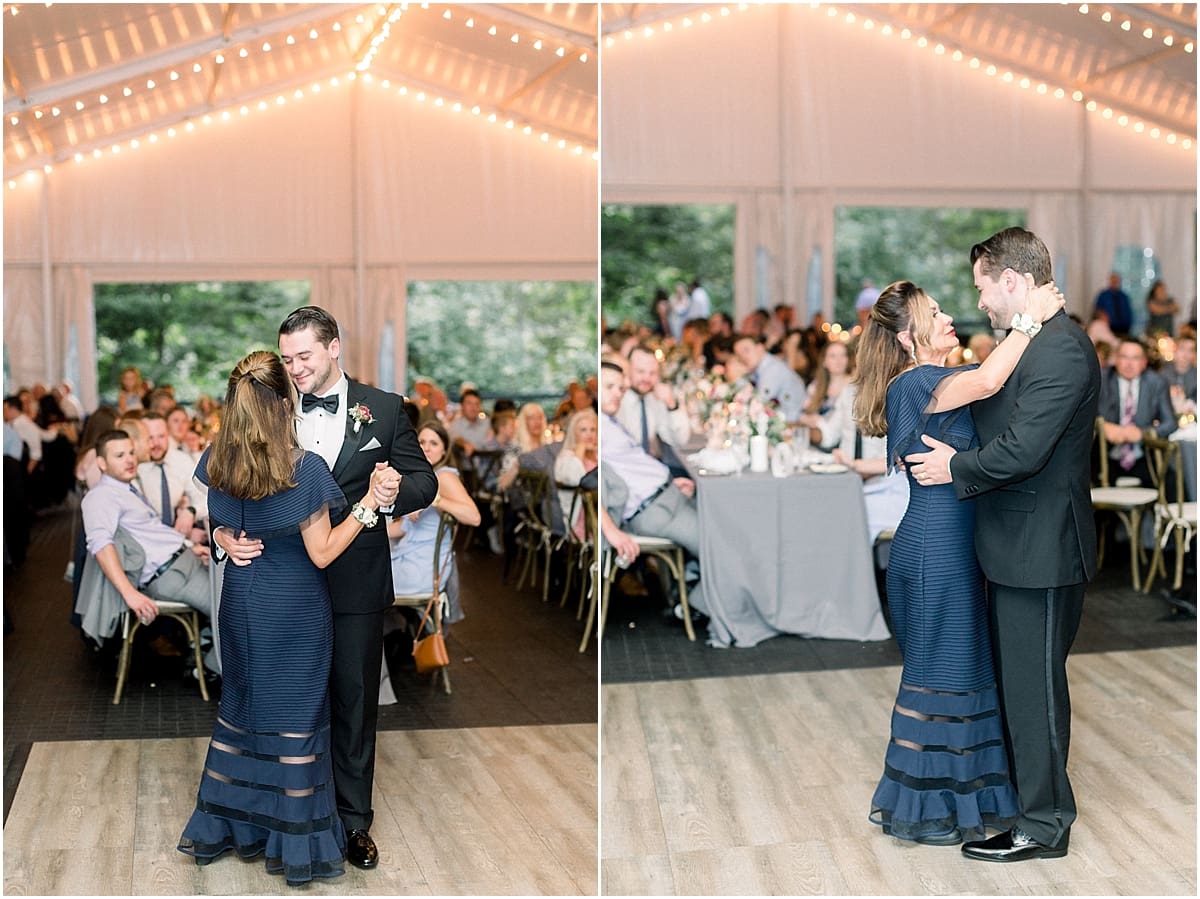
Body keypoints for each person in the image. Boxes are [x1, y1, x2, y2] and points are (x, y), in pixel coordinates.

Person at [215, 306, 437, 872]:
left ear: (334, 347)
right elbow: (234, 486)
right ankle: (287, 816)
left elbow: (424, 480)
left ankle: (353, 822)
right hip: (282, 586)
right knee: (286, 702)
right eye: (286, 359)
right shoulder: (268, 404)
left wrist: (389, 492)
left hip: (354, 582)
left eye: (304, 357)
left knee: (353, 702)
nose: (294, 369)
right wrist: (222, 535)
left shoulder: (384, 409)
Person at [907, 226, 1101, 862]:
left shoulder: (1064, 349)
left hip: (1042, 549)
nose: (980, 300)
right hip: (1014, 544)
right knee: (1020, 687)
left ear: (1012, 281)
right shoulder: (1031, 343)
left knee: (1035, 692)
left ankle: (1044, 827)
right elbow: (994, 410)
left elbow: (1025, 450)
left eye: (983, 286)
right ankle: (1028, 809)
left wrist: (954, 469)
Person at [855, 274, 1061, 847]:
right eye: (936, 312)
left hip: (957, 550)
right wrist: (1032, 316)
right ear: (906, 337)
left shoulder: (938, 378)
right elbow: (993, 377)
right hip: (932, 554)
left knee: (966, 673)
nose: (949, 317)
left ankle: (967, 799)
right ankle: (922, 805)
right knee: (938, 677)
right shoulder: (914, 382)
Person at [177, 351, 398, 885]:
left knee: (246, 708)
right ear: (284, 401)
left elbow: (220, 520)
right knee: (295, 722)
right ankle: (293, 841)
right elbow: (322, 552)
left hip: (241, 602)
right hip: (294, 607)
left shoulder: (218, 459)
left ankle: (241, 827)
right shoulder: (302, 468)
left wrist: (225, 537)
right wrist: (369, 503)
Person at [387, 421, 480, 612]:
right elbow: (402, 529)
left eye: (434, 443)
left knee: (363, 584)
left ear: (444, 450)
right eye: (422, 442)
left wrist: (433, 499)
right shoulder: (423, 479)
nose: (427, 448)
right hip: (409, 558)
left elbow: (474, 517)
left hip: (423, 567)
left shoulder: (444, 477)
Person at [1097, 338, 1178, 486]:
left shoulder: (1156, 382)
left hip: (1143, 453)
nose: (1129, 363)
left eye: (1135, 358)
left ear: (1144, 363)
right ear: (1116, 359)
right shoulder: (1101, 379)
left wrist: (1142, 433)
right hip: (1105, 454)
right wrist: (1103, 427)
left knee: (1171, 482)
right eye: (1124, 357)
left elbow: (1171, 423)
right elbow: (1081, 414)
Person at [732, 333, 808, 421]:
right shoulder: (759, 369)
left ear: (760, 348)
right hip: (780, 422)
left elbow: (759, 403)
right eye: (739, 355)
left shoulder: (773, 369)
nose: (743, 357)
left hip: (793, 424)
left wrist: (737, 378)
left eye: (746, 350)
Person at [797, 340, 855, 450]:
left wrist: (818, 420)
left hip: (841, 447)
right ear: (824, 361)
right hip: (815, 445)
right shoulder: (816, 386)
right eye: (833, 356)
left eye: (843, 355)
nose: (839, 360)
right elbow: (802, 416)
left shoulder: (853, 388)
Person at [553, 409, 598, 539]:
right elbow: (575, 479)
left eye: (593, 429)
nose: (589, 435)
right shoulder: (566, 457)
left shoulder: (599, 454)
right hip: (582, 519)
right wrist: (580, 450)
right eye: (583, 430)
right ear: (574, 433)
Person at [1093, 271, 1133, 335]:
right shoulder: (1103, 295)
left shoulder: (1124, 296)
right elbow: (1097, 310)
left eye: (1116, 280)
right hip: (1109, 328)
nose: (1114, 281)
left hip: (1124, 329)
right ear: (1110, 280)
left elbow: (1128, 312)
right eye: (1113, 279)